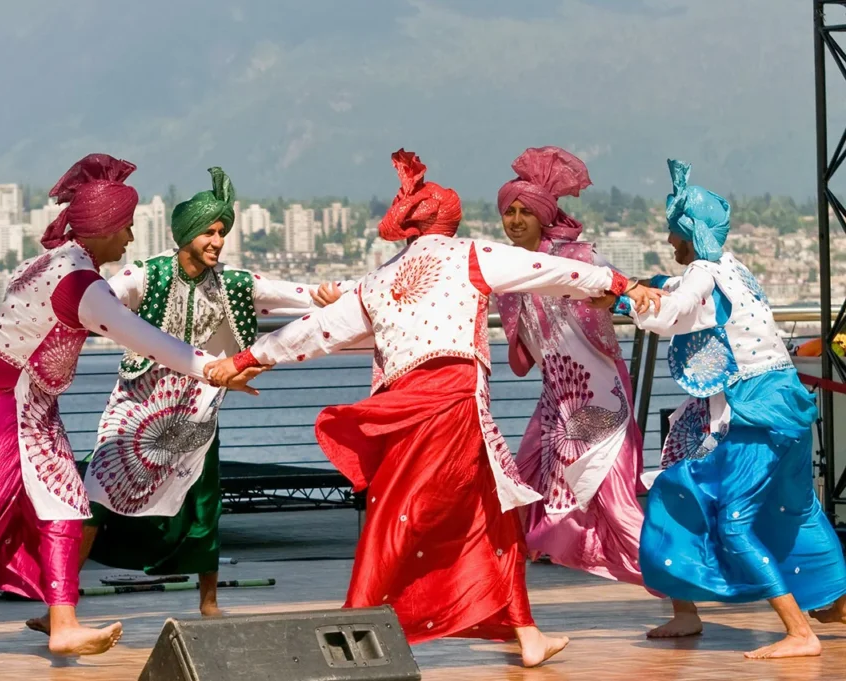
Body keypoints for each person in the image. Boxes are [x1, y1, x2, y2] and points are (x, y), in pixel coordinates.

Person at [205, 149, 661, 667]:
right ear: (452, 219)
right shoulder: (469, 255)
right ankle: (355, 626)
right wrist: (619, 284)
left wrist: (247, 357)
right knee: (455, 519)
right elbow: (549, 269)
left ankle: (522, 633)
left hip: (399, 409)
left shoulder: (379, 279)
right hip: (455, 405)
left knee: (421, 515)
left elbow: (316, 331)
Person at [0, 154, 262, 663]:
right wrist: (214, 369)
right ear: (105, 227)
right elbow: (150, 340)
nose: (130, 239)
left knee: (66, 506)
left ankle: (63, 624)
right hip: (1, 408)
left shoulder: (55, 263)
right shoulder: (81, 285)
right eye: (126, 227)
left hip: (33, 404)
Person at [26, 167, 344, 635]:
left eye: (222, 232)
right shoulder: (145, 275)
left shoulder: (236, 284)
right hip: (136, 413)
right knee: (92, 499)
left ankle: (209, 604)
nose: (217, 240)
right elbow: (91, 303)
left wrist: (328, 295)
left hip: (197, 416)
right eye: (210, 232)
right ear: (186, 234)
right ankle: (61, 607)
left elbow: (299, 295)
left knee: (203, 506)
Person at [602, 159, 846, 659]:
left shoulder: (702, 272)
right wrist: (647, 283)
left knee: (732, 518)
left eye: (673, 232)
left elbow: (671, 313)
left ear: (688, 231)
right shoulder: (732, 266)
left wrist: (624, 299)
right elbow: (684, 295)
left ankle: (800, 632)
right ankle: (834, 608)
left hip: (756, 413)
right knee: (794, 509)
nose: (670, 242)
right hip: (787, 406)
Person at [494, 146, 646, 587]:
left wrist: (619, 297)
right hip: (556, 404)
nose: (516, 220)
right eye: (510, 211)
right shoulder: (507, 274)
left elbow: (621, 290)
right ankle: (506, 604)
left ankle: (681, 595)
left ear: (544, 216)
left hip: (601, 399)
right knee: (515, 491)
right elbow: (525, 356)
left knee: (616, 502)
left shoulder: (576, 258)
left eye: (526, 211)